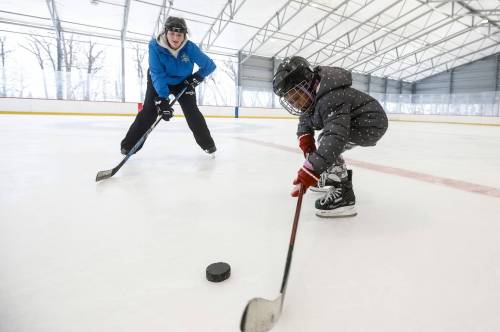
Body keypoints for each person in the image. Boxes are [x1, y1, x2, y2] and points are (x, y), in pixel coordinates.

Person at [272, 56, 388, 218]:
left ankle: (344, 194)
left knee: (327, 142)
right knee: (325, 144)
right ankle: (332, 176)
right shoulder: (315, 95)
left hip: (370, 123)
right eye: (291, 102)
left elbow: (334, 139)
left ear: (309, 85)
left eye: (297, 98)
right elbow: (306, 118)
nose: (295, 104)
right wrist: (306, 141)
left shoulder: (331, 97)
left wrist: (310, 172)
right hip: (358, 120)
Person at [121, 16, 217, 157]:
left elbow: (209, 65)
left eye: (179, 34)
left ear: (184, 35)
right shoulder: (155, 46)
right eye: (172, 33)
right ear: (165, 32)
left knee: (192, 112)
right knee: (149, 111)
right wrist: (163, 99)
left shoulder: (190, 48)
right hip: (159, 80)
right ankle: (129, 146)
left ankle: (208, 145)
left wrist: (196, 77)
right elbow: (157, 73)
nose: (175, 38)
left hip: (183, 82)